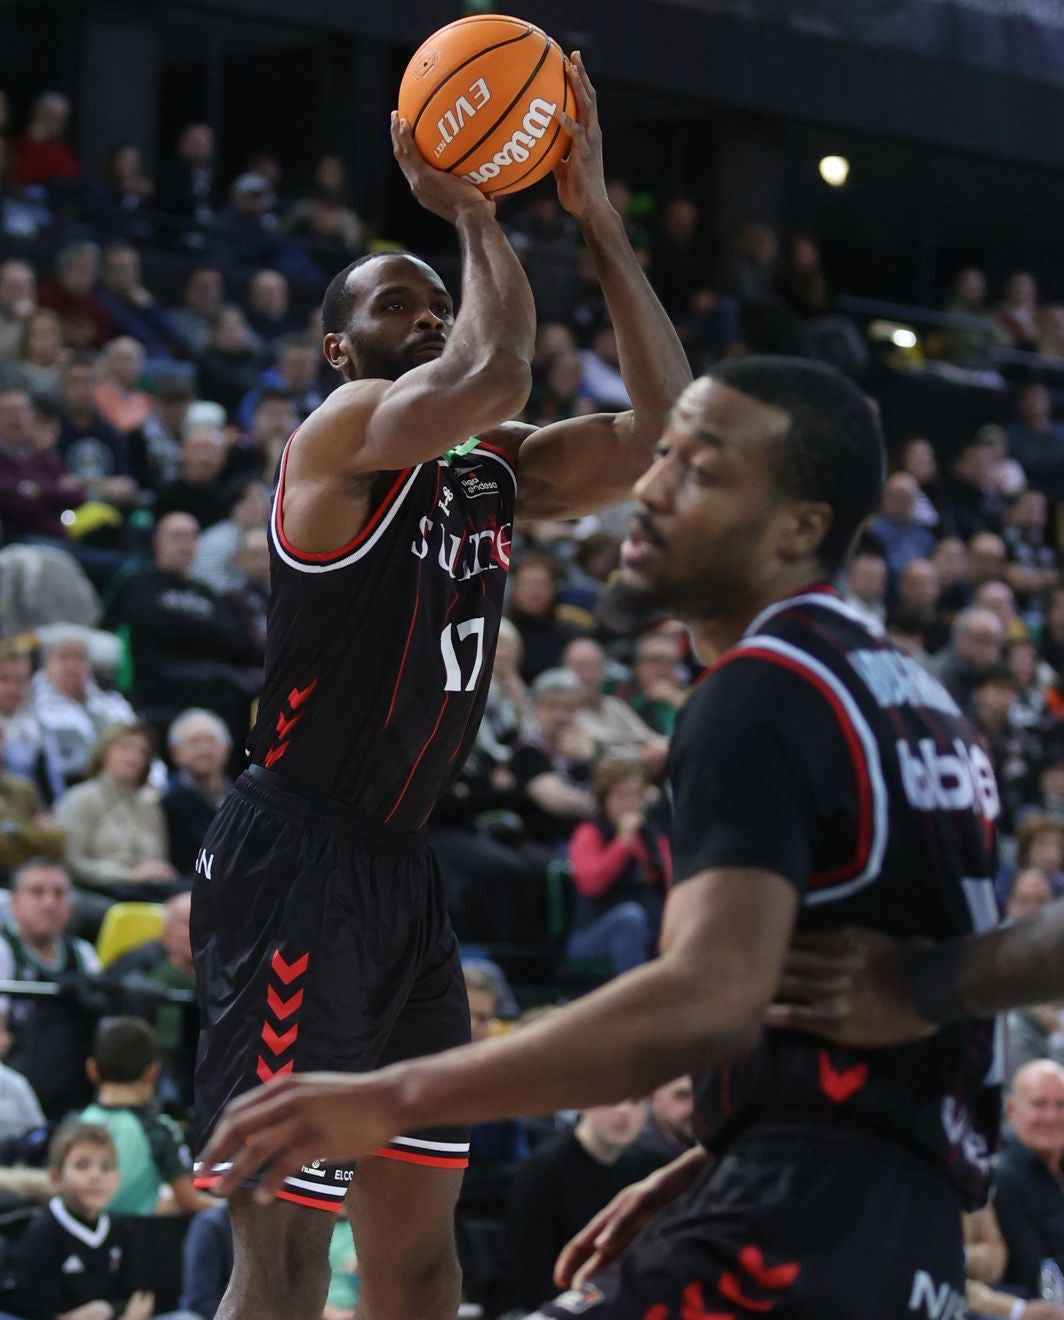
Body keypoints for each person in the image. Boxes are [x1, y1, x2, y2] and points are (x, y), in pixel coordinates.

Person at [203, 356, 1004, 1320]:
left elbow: (705, 1002)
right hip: (903, 1233)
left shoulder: (765, 691)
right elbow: (878, 986)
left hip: (795, 1224)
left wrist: (396, 1097)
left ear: (800, 526)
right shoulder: (917, 696)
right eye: (664, 462)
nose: (651, 491)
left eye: (696, 472)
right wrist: (720, 1152)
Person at [192, 58, 690, 1320]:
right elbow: (495, 371)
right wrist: (469, 211)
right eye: (396, 306)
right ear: (337, 346)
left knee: (420, 1259)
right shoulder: (338, 438)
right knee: (287, 1253)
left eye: (434, 301)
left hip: (402, 873)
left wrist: (599, 224)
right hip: (294, 854)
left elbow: (663, 431)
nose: (423, 317)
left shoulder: (489, 472)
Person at [0, 1120, 200, 1320]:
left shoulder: (120, 1227)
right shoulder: (41, 1232)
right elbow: (47, 1313)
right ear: (56, 1177)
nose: (96, 1176)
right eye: (82, 1165)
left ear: (117, 1178)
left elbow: (139, 1299)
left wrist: (104, 1309)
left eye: (106, 1167)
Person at [504, 1100, 651, 1314]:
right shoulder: (544, 1170)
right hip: (555, 1306)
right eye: (613, 1099)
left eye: (636, 1101)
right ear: (583, 1104)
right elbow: (528, 1272)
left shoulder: (645, 1168)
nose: (624, 1111)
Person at [0, 860, 100, 1119]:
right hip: (17, 1082)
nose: (49, 903)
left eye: (58, 894)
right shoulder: (3, 949)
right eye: (37, 892)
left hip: (75, 1081)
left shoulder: (83, 953)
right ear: (13, 903)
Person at [80, 1016, 209, 1216]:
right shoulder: (159, 1130)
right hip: (138, 1240)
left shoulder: (74, 1124)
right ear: (153, 1071)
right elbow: (190, 1202)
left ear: (92, 1069)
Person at [55, 723, 177, 916]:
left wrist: (156, 871)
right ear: (104, 752)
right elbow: (71, 862)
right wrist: (130, 876)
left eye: (142, 751)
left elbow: (158, 859)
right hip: (99, 891)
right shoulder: (81, 798)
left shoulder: (150, 805)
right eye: (125, 748)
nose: (134, 757)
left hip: (148, 891)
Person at [566, 758, 671, 974]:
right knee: (630, 918)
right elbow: (591, 884)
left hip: (651, 927)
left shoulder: (652, 837)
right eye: (623, 795)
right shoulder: (590, 833)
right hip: (592, 933)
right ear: (605, 798)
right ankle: (637, 1002)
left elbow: (672, 886)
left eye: (637, 795)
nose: (631, 803)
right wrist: (622, 842)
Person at [992, 1060, 1064, 1297]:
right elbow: (1034, 1272)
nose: (1052, 1116)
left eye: (1061, 1104)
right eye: (1039, 1104)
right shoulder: (1004, 1177)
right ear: (1011, 1109)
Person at [30, 632, 135, 793]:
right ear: (46, 665)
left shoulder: (114, 704)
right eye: (63, 658)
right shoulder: (32, 707)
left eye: (80, 658)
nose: (72, 666)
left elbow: (141, 747)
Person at [161, 709, 232, 874]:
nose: (204, 750)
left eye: (211, 741)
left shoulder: (244, 797)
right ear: (175, 752)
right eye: (194, 742)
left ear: (227, 749)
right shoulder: (167, 801)